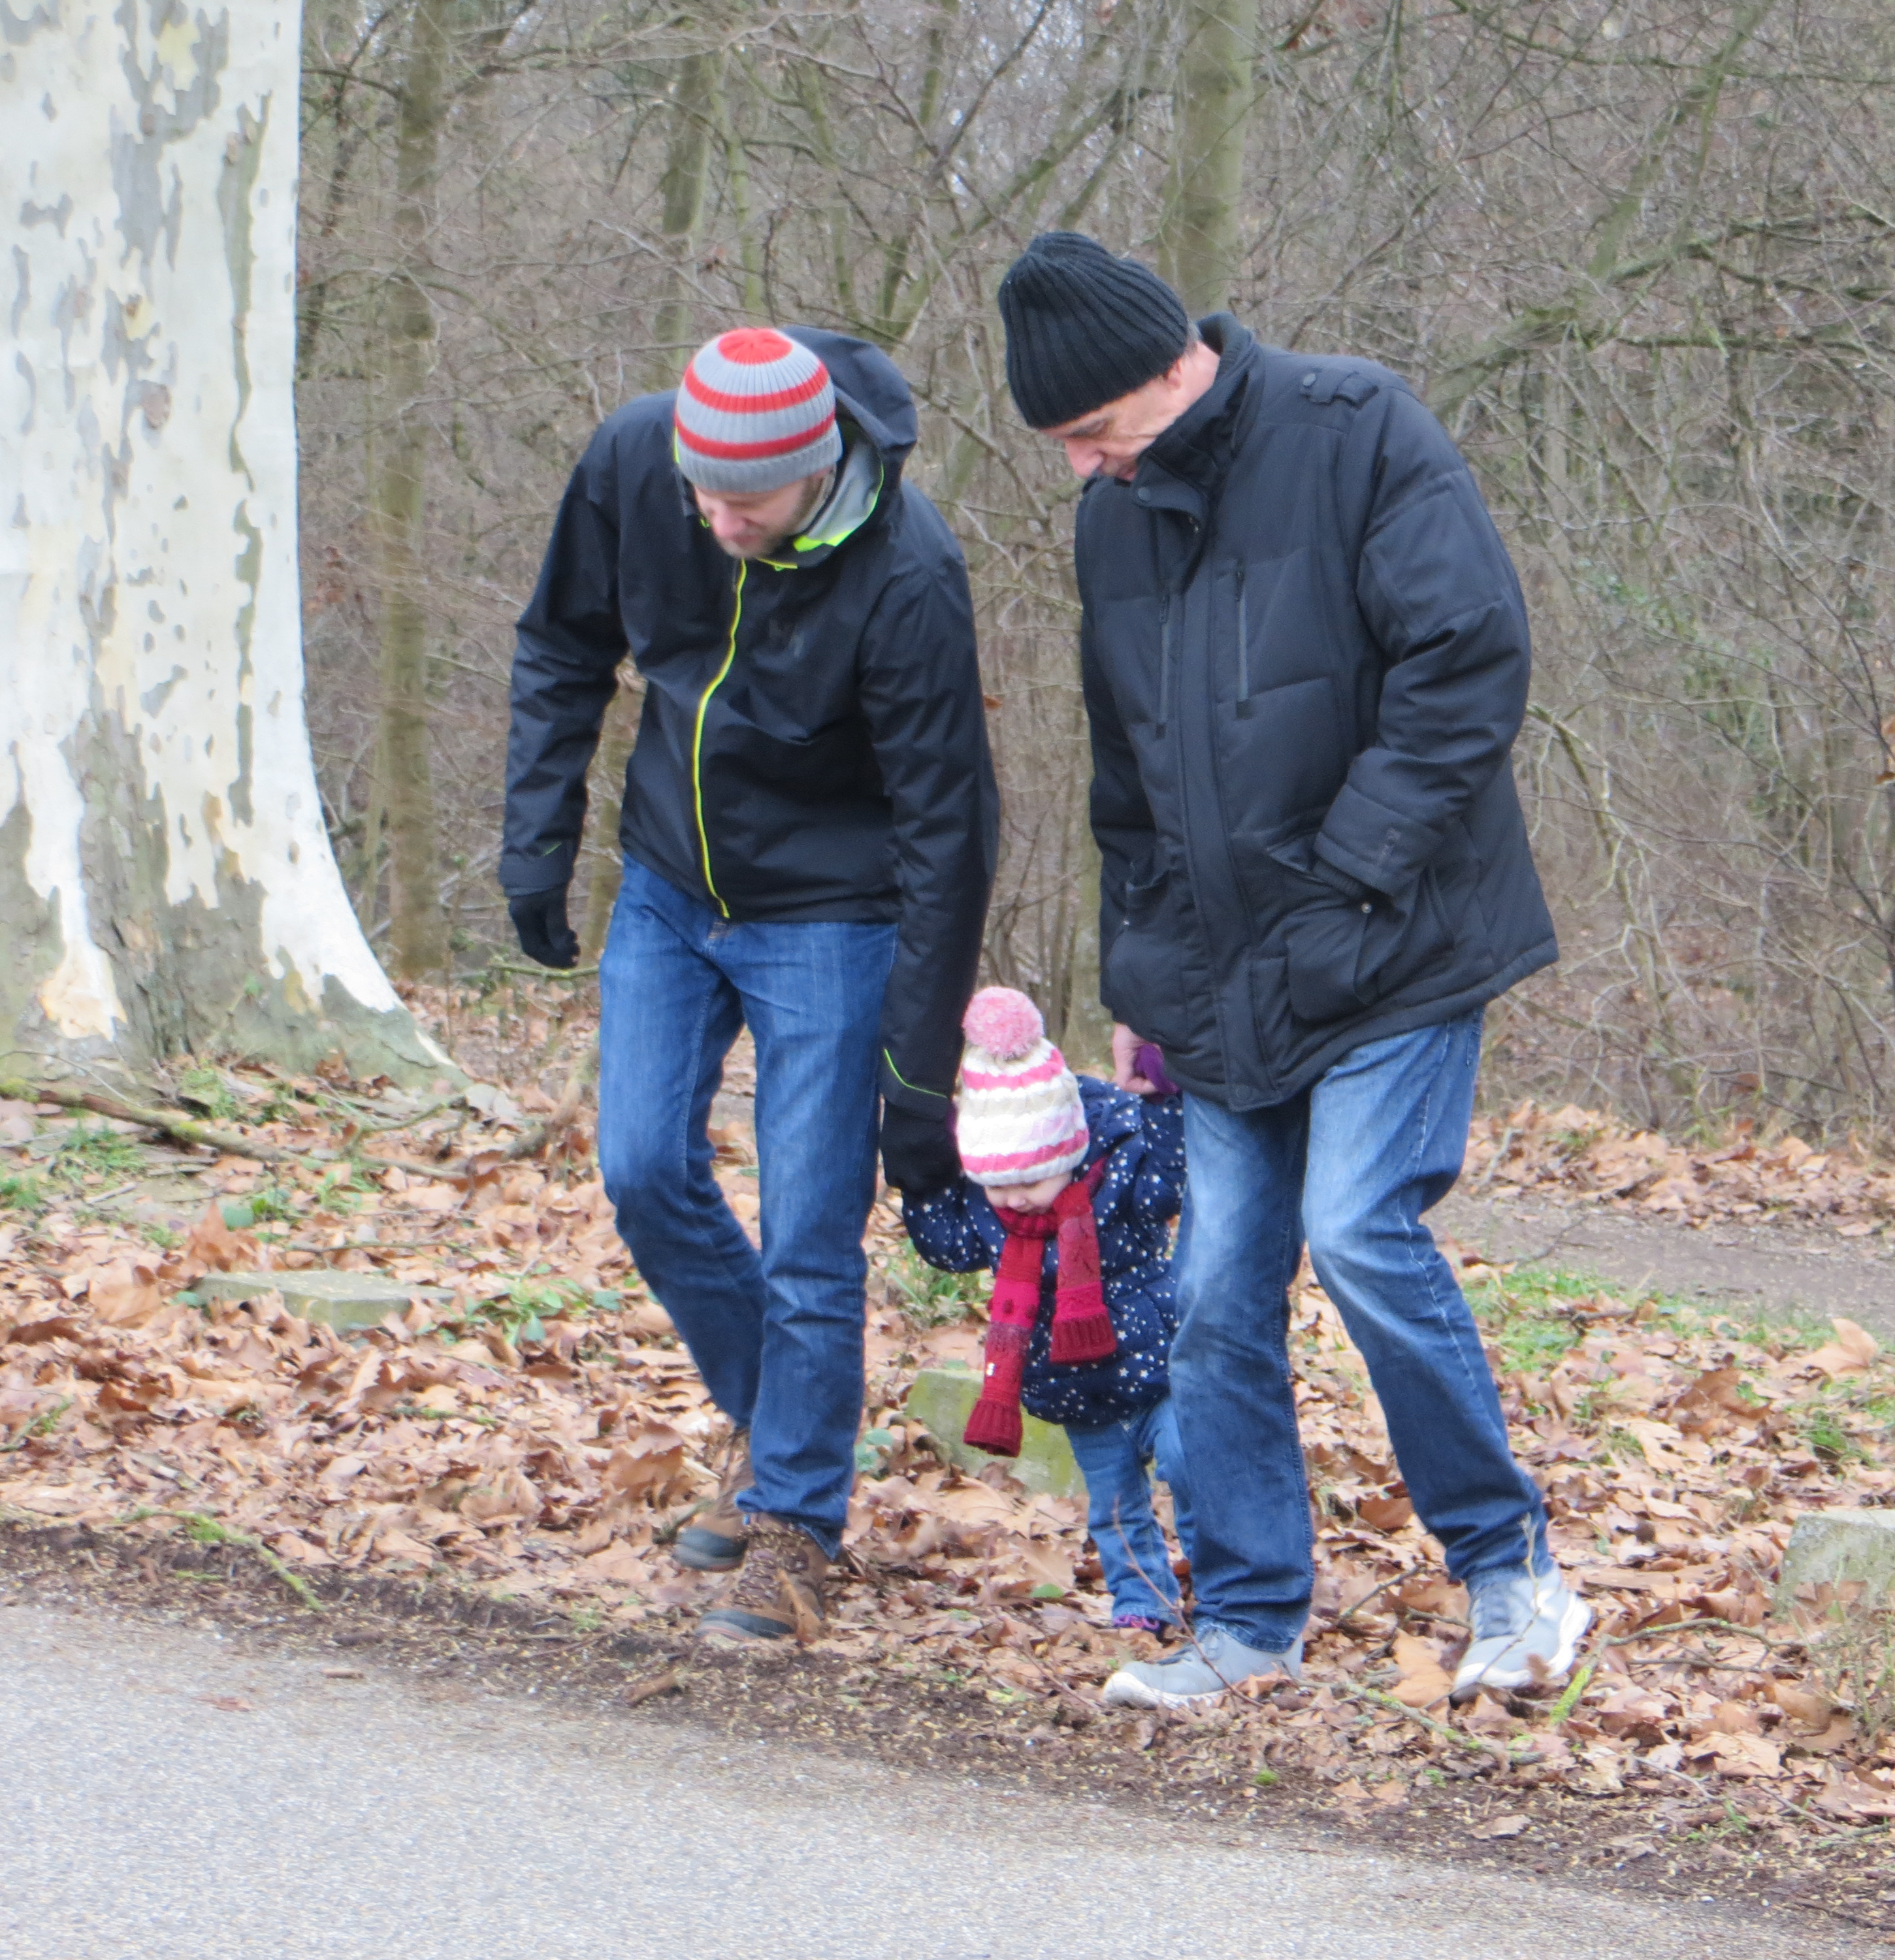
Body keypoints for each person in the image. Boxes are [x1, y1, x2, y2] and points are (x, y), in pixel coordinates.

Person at [992, 233, 1586, 1709]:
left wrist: (1348, 880)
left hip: (1398, 940)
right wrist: (1138, 965)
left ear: (1168, 371)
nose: (1080, 465)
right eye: (1061, 442)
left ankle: (1513, 1573)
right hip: (1220, 980)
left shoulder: (1355, 429)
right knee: (1208, 1289)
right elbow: (1125, 774)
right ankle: (1250, 1620)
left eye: (1091, 429)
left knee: (1360, 1230)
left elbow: (1469, 662)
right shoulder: (1112, 523)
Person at [500, 326, 997, 1645]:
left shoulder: (908, 573)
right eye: (701, 493)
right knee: (641, 1167)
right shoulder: (634, 458)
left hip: (831, 914)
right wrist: (538, 835)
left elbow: (948, 831)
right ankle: (780, 1427)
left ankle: (794, 1530)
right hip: (670, 882)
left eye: (748, 502)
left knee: (811, 1232)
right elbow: (562, 643)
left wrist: (920, 1075)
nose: (718, 521)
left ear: (816, 465)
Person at [901, 988, 1190, 1632]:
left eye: (1030, 1179)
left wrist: (1166, 1102)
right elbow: (945, 1245)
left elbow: (1170, 1182)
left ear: (1067, 1149)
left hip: (1159, 1369)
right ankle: (1143, 1600)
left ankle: (1221, 1579)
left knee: (1191, 1464)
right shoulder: (989, 1209)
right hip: (1076, 1390)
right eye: (997, 1183)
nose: (1015, 1199)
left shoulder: (1118, 1172)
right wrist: (918, 1169)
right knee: (1113, 1508)